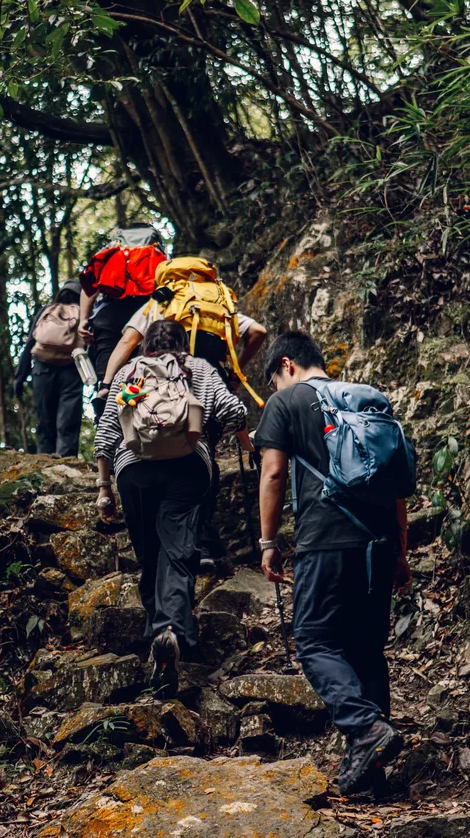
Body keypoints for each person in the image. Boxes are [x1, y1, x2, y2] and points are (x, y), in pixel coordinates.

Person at [255, 331, 412, 796]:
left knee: (315, 638)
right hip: (379, 542)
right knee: (365, 649)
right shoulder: (365, 401)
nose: (273, 393)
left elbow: (274, 472)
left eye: (272, 382)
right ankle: (372, 775)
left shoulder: (285, 404)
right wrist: (400, 551)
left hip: (326, 540)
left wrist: (268, 541)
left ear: (285, 365)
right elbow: (396, 483)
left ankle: (365, 730)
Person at [94, 320, 250, 696]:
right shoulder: (197, 367)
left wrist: (103, 489)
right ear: (182, 343)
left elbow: (106, 433)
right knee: (177, 552)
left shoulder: (130, 371)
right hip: (187, 467)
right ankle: (171, 633)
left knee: (150, 553)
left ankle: (157, 633)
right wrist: (225, 435)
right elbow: (235, 411)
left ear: (146, 344)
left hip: (133, 469)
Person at [95, 259, 266, 566]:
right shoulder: (218, 301)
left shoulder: (162, 301)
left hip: (156, 384)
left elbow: (127, 341)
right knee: (200, 455)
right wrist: (233, 373)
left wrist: (107, 383)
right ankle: (197, 542)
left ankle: (173, 544)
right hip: (205, 381)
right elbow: (258, 331)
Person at [78, 223, 166, 415]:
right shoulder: (158, 251)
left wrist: (83, 319)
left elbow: (89, 287)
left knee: (106, 377)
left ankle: (105, 418)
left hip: (108, 315)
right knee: (145, 374)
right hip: (145, 315)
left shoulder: (111, 250)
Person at [13, 279, 83, 457]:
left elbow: (30, 343)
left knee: (44, 421)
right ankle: (67, 461)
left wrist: (19, 377)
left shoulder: (47, 311)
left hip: (42, 368)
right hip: (72, 369)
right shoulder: (84, 313)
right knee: (68, 421)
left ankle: (44, 461)